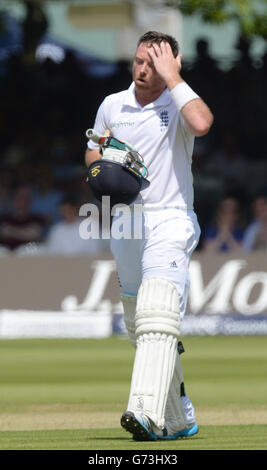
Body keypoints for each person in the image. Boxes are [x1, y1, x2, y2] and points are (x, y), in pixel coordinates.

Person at [85, 31, 213, 441]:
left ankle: (145, 412)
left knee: (158, 309)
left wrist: (172, 77)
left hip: (170, 216)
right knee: (139, 321)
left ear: (171, 65)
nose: (143, 69)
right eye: (139, 61)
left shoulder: (178, 102)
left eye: (152, 63)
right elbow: (94, 147)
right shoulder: (112, 104)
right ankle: (180, 417)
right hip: (126, 221)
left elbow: (202, 123)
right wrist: (99, 172)